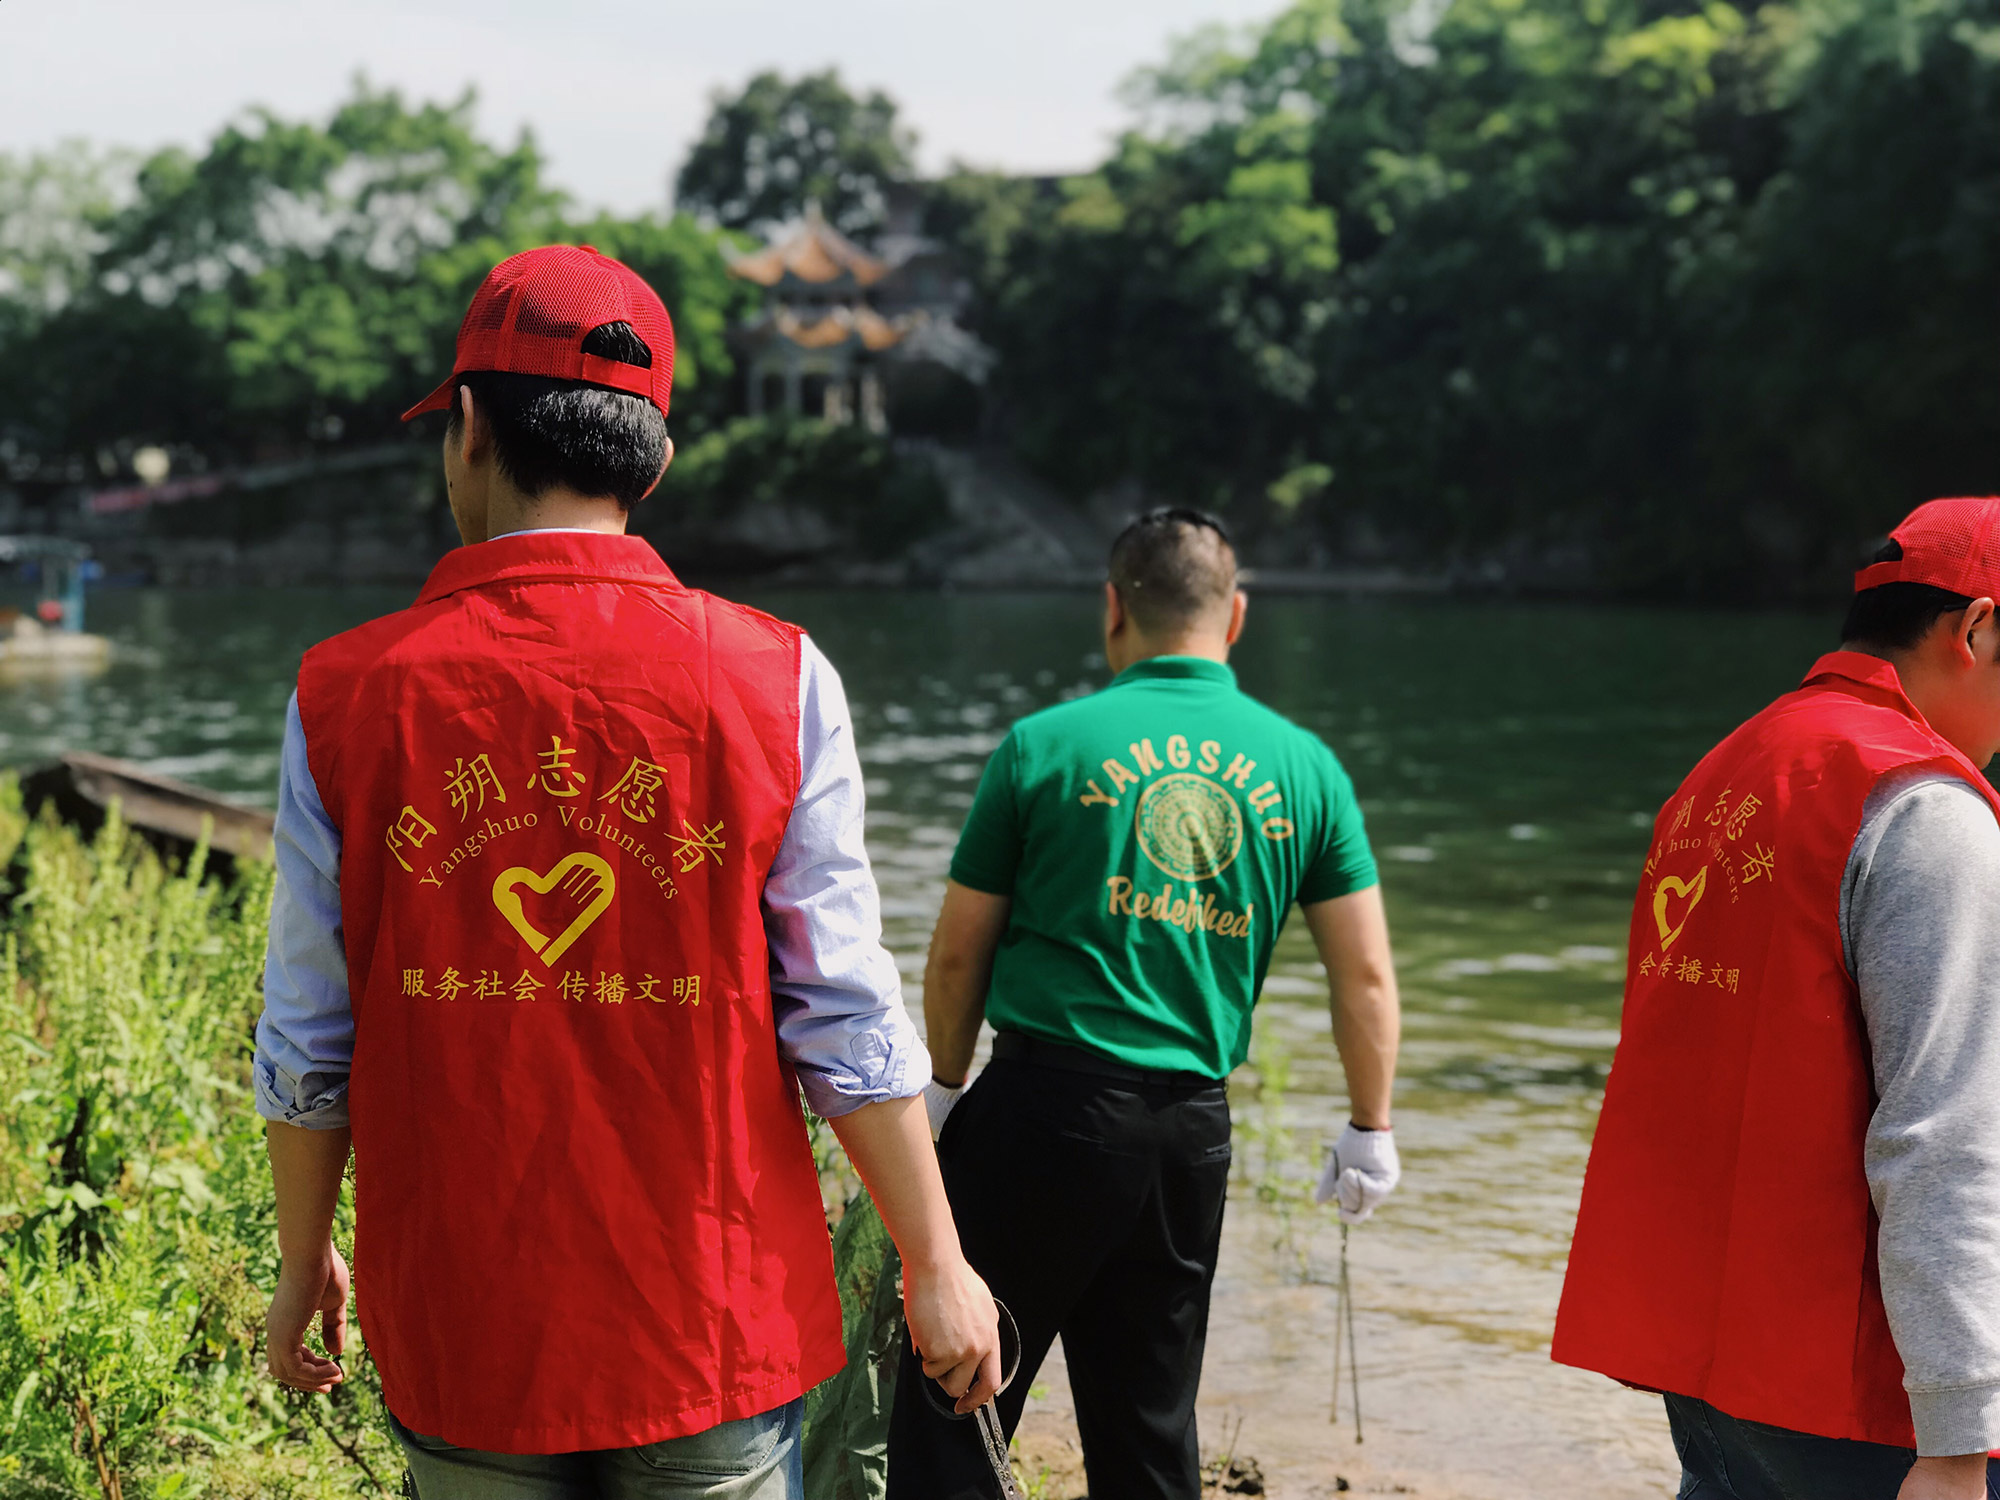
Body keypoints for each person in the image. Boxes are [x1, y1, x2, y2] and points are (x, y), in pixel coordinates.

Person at [253, 244, 1002, 1499]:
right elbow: (844, 1010)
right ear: (651, 454)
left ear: (473, 427)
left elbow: (307, 1029)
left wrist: (301, 1256)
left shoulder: (346, 694)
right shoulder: (779, 677)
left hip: (461, 1314)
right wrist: (935, 1259)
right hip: (706, 1316)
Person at [884, 509, 1403, 1500]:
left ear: (1110, 607)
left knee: (959, 1397)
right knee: (1147, 1423)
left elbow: (956, 957)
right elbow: (1365, 978)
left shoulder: (1043, 746)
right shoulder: (1306, 771)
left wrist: (944, 1090)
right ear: (1236, 616)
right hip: (1188, 1135)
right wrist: (1367, 1126)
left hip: (1044, 1115)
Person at [1554, 496, 2000, 1500]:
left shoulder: (1728, 768)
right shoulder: (1925, 811)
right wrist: (1959, 1433)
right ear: (1972, 628)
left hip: (1716, 1360)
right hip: (1864, 1394)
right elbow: (1940, 1138)